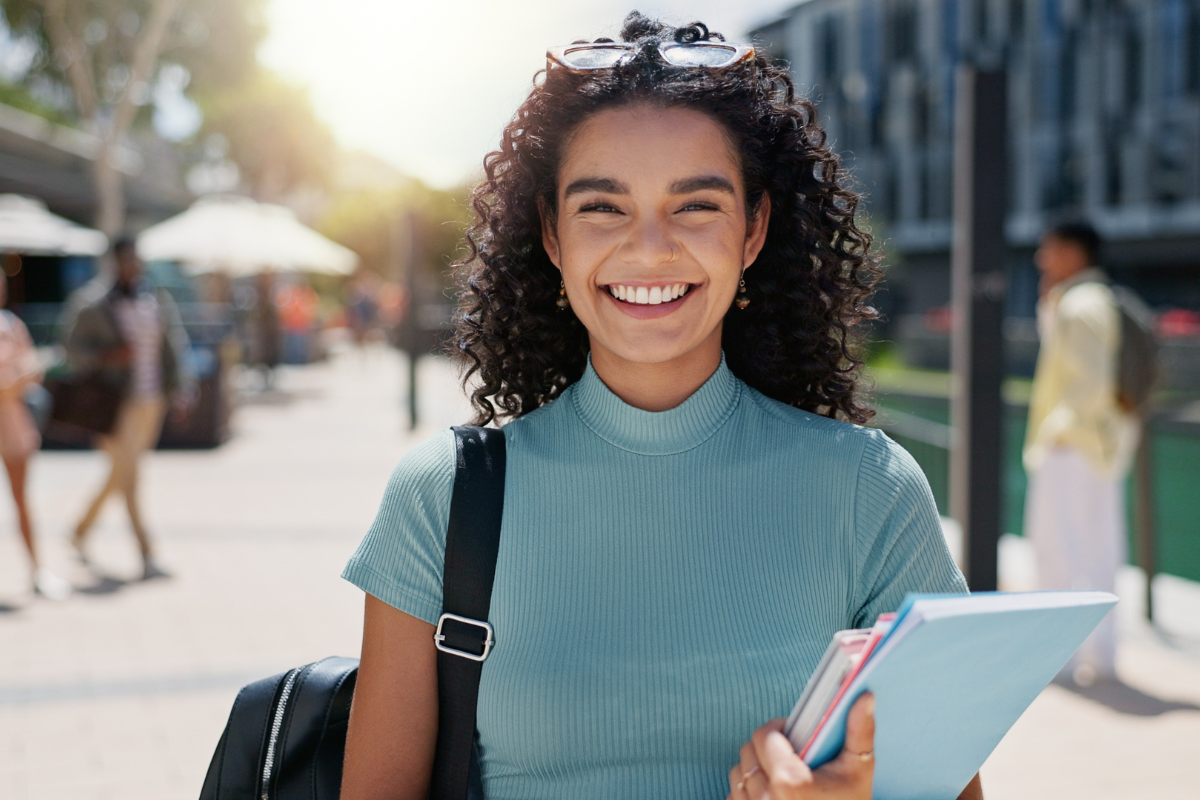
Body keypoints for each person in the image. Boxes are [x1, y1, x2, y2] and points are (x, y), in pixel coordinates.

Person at [340, 14, 980, 800]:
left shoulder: (872, 491)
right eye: (603, 207)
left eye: (696, 206)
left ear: (754, 231)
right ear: (551, 235)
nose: (649, 248)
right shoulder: (441, 497)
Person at [1024, 219, 1138, 685]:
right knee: (1100, 552)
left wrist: (1061, 431)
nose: (1040, 258)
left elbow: (1089, 380)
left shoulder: (1079, 304)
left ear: (1071, 252)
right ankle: (1102, 657)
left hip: (1074, 446)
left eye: (1048, 248)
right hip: (1100, 447)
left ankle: (1062, 659)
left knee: (1057, 552)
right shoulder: (1096, 299)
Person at [63, 238, 195, 580]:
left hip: (152, 401)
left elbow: (173, 346)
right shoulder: (93, 304)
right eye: (125, 260)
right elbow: (71, 351)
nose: (132, 266)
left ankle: (79, 531)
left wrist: (181, 388)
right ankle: (146, 554)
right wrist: (107, 356)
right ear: (114, 263)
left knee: (120, 474)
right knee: (130, 477)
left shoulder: (154, 300)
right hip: (114, 404)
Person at [0, 273, 69, 599]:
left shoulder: (12, 325)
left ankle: (37, 570)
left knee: (22, 500)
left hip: (12, 422)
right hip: (9, 413)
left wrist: (28, 375)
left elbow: (26, 372)